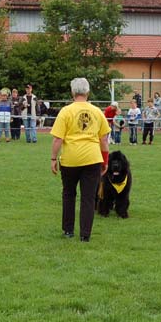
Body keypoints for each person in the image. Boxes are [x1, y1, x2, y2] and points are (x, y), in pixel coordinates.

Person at [50, 77, 111, 242]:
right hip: (92, 159)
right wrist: (105, 160)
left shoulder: (66, 111)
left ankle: (68, 230)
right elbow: (104, 140)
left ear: (72, 92)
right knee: (88, 197)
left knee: (69, 194)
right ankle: (85, 235)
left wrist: (53, 158)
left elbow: (57, 139)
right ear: (88, 92)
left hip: (70, 159)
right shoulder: (97, 112)